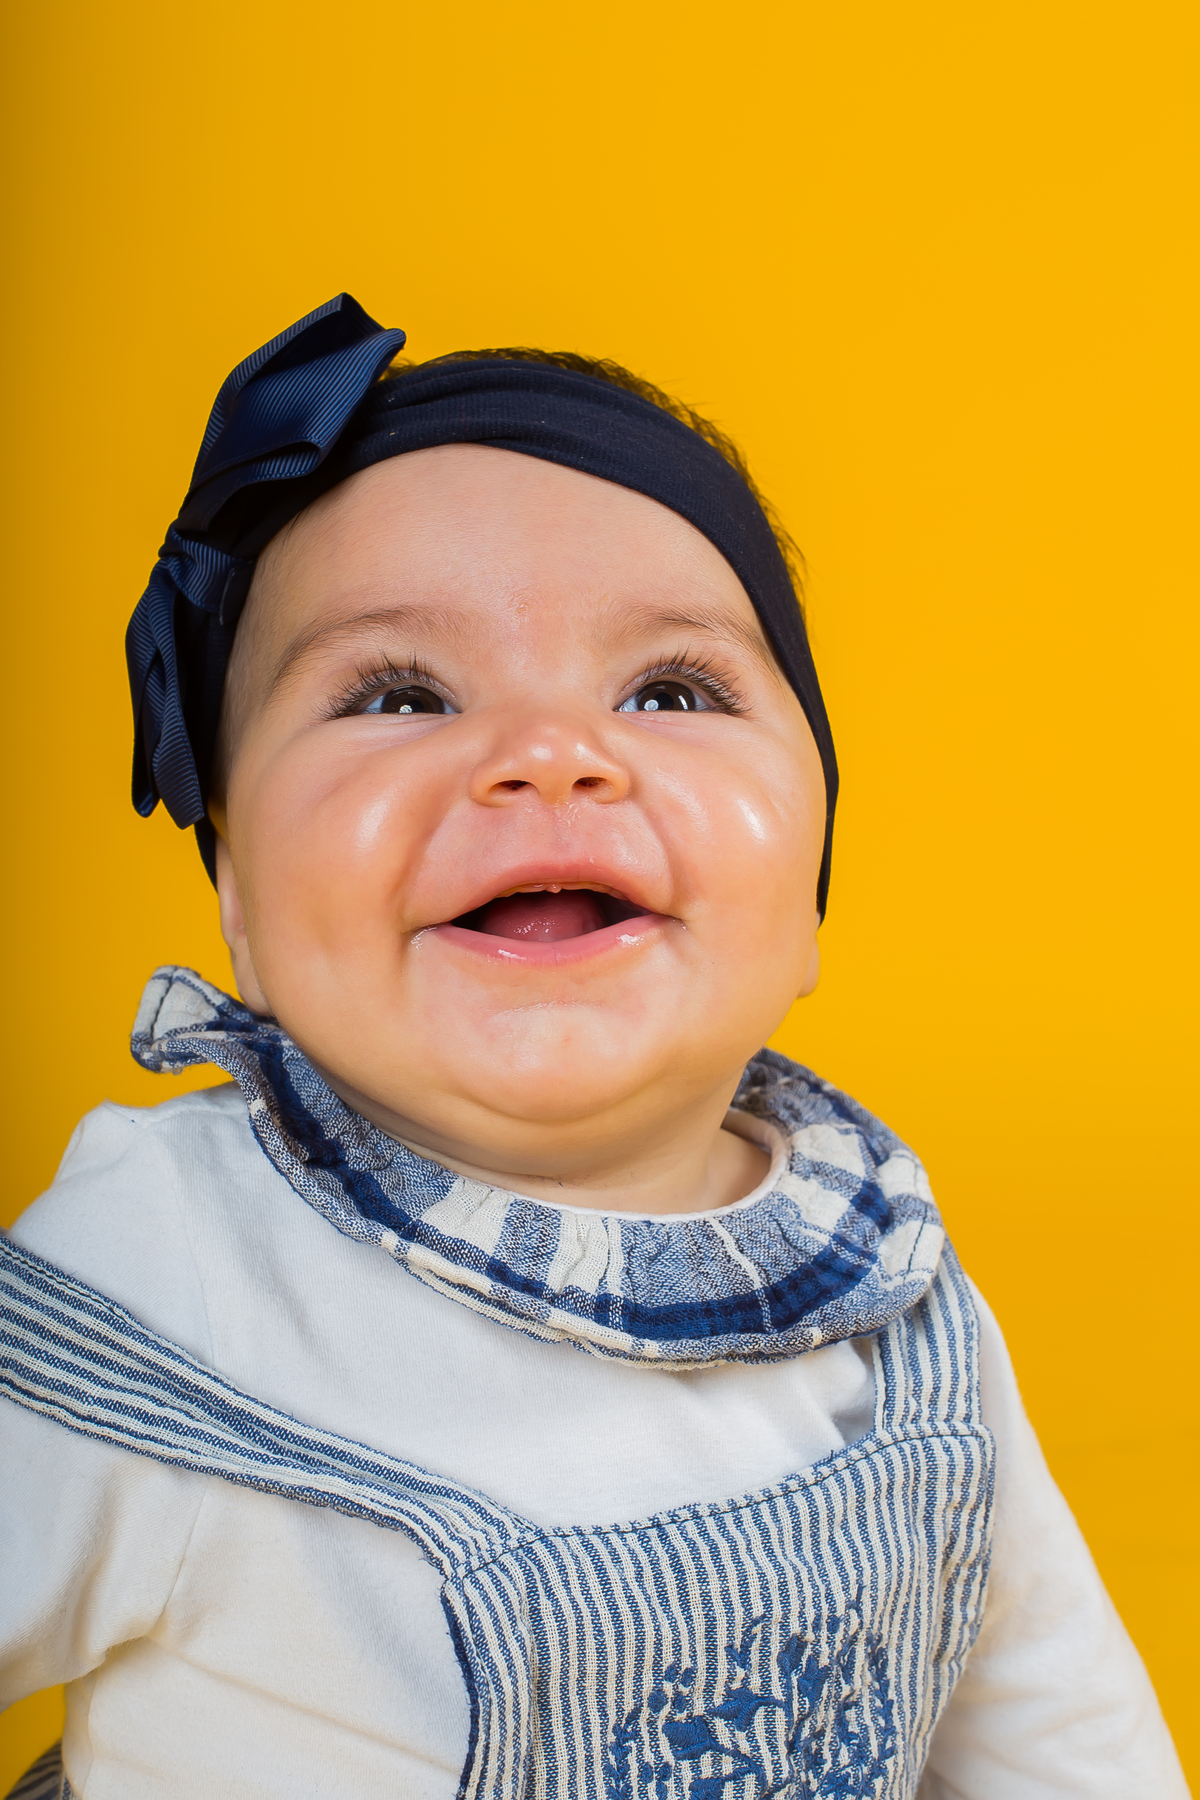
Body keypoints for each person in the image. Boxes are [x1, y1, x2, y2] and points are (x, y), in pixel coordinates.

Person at [0, 295, 1187, 1800]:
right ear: (236, 897)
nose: (550, 751)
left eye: (671, 691)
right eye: (399, 693)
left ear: (812, 888)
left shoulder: (883, 1274)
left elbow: (1052, 1725)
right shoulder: (166, 1272)